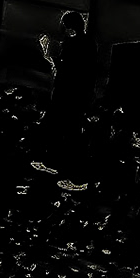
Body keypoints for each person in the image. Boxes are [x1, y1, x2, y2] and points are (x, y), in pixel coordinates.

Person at [36, 10, 97, 167]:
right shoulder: (89, 43)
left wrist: (47, 53)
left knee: (61, 129)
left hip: (66, 93)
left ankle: (57, 164)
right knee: (70, 130)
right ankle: (65, 166)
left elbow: (65, 69)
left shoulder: (72, 44)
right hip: (78, 94)